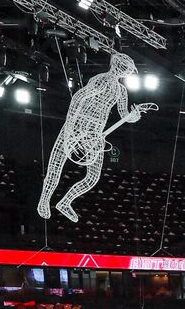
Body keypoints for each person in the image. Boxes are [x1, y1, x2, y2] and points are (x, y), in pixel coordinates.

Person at [37, 52, 156, 222]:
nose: (125, 72)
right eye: (125, 68)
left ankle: (65, 202)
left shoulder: (121, 90)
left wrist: (135, 115)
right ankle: (44, 201)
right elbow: (78, 98)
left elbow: (125, 115)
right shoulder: (101, 80)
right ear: (117, 66)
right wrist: (70, 127)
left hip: (96, 134)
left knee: (92, 177)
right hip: (77, 126)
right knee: (56, 164)